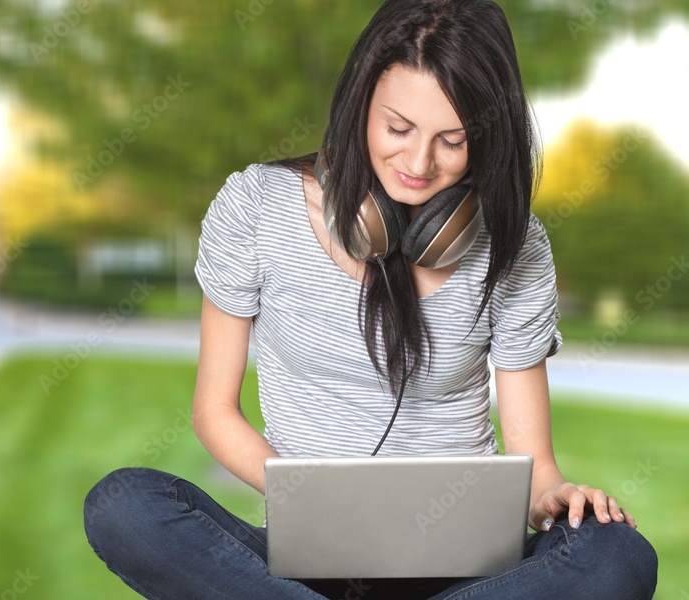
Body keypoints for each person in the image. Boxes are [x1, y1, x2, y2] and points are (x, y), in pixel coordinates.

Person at [83, 0, 659, 598]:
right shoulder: (257, 207)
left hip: (465, 572)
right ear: (360, 103)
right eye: (398, 129)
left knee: (616, 554)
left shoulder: (515, 246)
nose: (418, 163)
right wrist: (313, 501)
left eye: (452, 141)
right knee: (125, 505)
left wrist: (558, 499)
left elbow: (535, 462)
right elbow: (214, 413)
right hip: (307, 561)